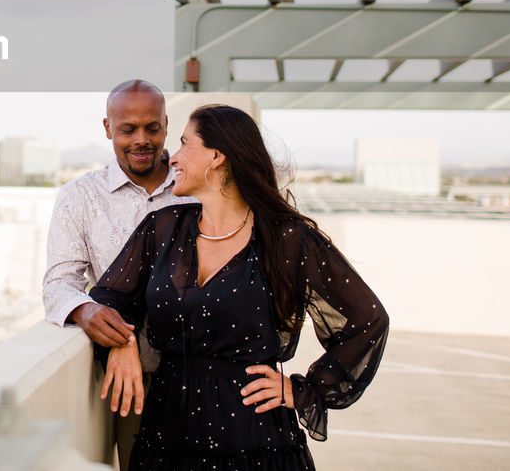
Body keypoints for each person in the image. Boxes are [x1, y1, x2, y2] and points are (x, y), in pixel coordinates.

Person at [91, 104, 389, 471]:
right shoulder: (163, 228)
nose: (175, 157)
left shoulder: (288, 239)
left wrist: (302, 390)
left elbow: (367, 320)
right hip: (166, 433)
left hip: (254, 439)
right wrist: (122, 340)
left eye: (184, 144)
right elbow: (108, 296)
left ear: (216, 157)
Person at [43, 79, 197, 467]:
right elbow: (59, 282)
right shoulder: (79, 196)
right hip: (134, 380)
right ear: (108, 128)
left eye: (152, 128)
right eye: (128, 129)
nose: (141, 140)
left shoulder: (196, 188)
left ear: (166, 124)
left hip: (206, 370)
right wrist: (87, 310)